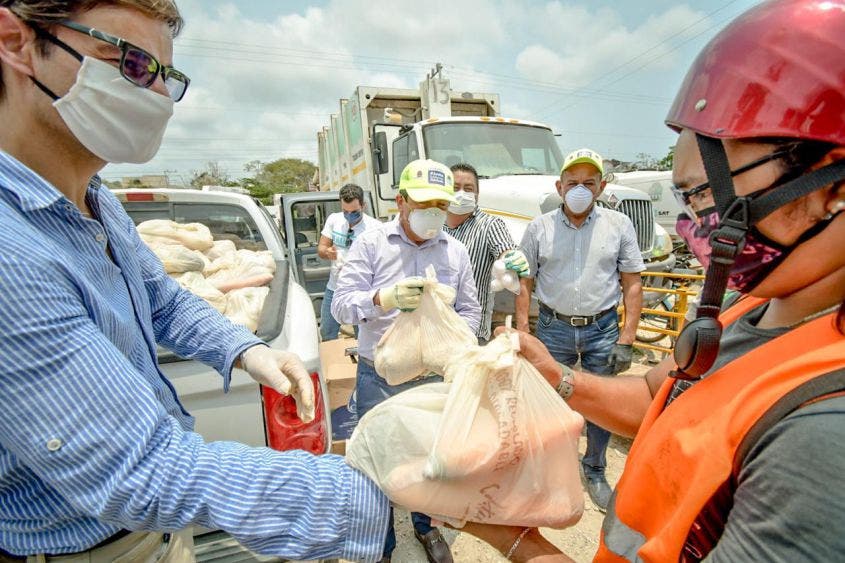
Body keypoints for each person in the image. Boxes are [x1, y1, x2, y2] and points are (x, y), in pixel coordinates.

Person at [0, 2, 390, 561]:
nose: (157, 99)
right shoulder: (10, 252)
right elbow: (142, 466)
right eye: (131, 63)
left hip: (159, 533)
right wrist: (380, 494)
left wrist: (245, 351)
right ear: (15, 41)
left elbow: (160, 300)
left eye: (167, 76)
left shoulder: (96, 200)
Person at [463, 0, 845, 560]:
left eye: (704, 194)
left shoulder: (821, 437)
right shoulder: (755, 306)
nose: (694, 225)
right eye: (685, 199)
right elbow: (660, 399)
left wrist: (517, 542)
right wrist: (556, 377)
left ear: (832, 186)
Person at [332, 158, 481, 563]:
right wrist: (383, 300)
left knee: (431, 460)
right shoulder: (371, 244)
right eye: (424, 203)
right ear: (400, 201)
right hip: (378, 377)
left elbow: (470, 309)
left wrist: (456, 341)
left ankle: (427, 528)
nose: (434, 213)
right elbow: (341, 307)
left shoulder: (456, 251)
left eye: (440, 204)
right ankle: (381, 545)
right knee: (374, 463)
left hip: (432, 377)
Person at [516, 147, 644, 511]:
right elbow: (524, 281)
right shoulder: (539, 228)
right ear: (559, 186)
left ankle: (595, 468)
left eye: (589, 182)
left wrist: (627, 339)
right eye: (572, 182)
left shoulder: (619, 225)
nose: (580, 189)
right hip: (554, 327)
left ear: (601, 186)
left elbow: (632, 283)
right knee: (548, 400)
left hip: (602, 328)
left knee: (601, 403)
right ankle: (552, 470)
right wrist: (525, 332)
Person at [444, 162, 529, 343]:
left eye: (468, 189)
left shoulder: (489, 225)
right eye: (455, 187)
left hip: (470, 332)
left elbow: (505, 250)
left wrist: (510, 259)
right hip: (436, 331)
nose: (461, 193)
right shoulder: (434, 226)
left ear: (477, 195)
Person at [317, 182, 380, 341]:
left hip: (361, 291)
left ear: (363, 206)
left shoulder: (375, 228)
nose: (349, 215)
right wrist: (328, 252)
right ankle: (333, 363)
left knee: (364, 335)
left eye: (354, 212)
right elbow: (321, 248)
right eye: (345, 211)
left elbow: (380, 262)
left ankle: (361, 363)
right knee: (327, 331)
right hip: (334, 288)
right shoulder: (334, 220)